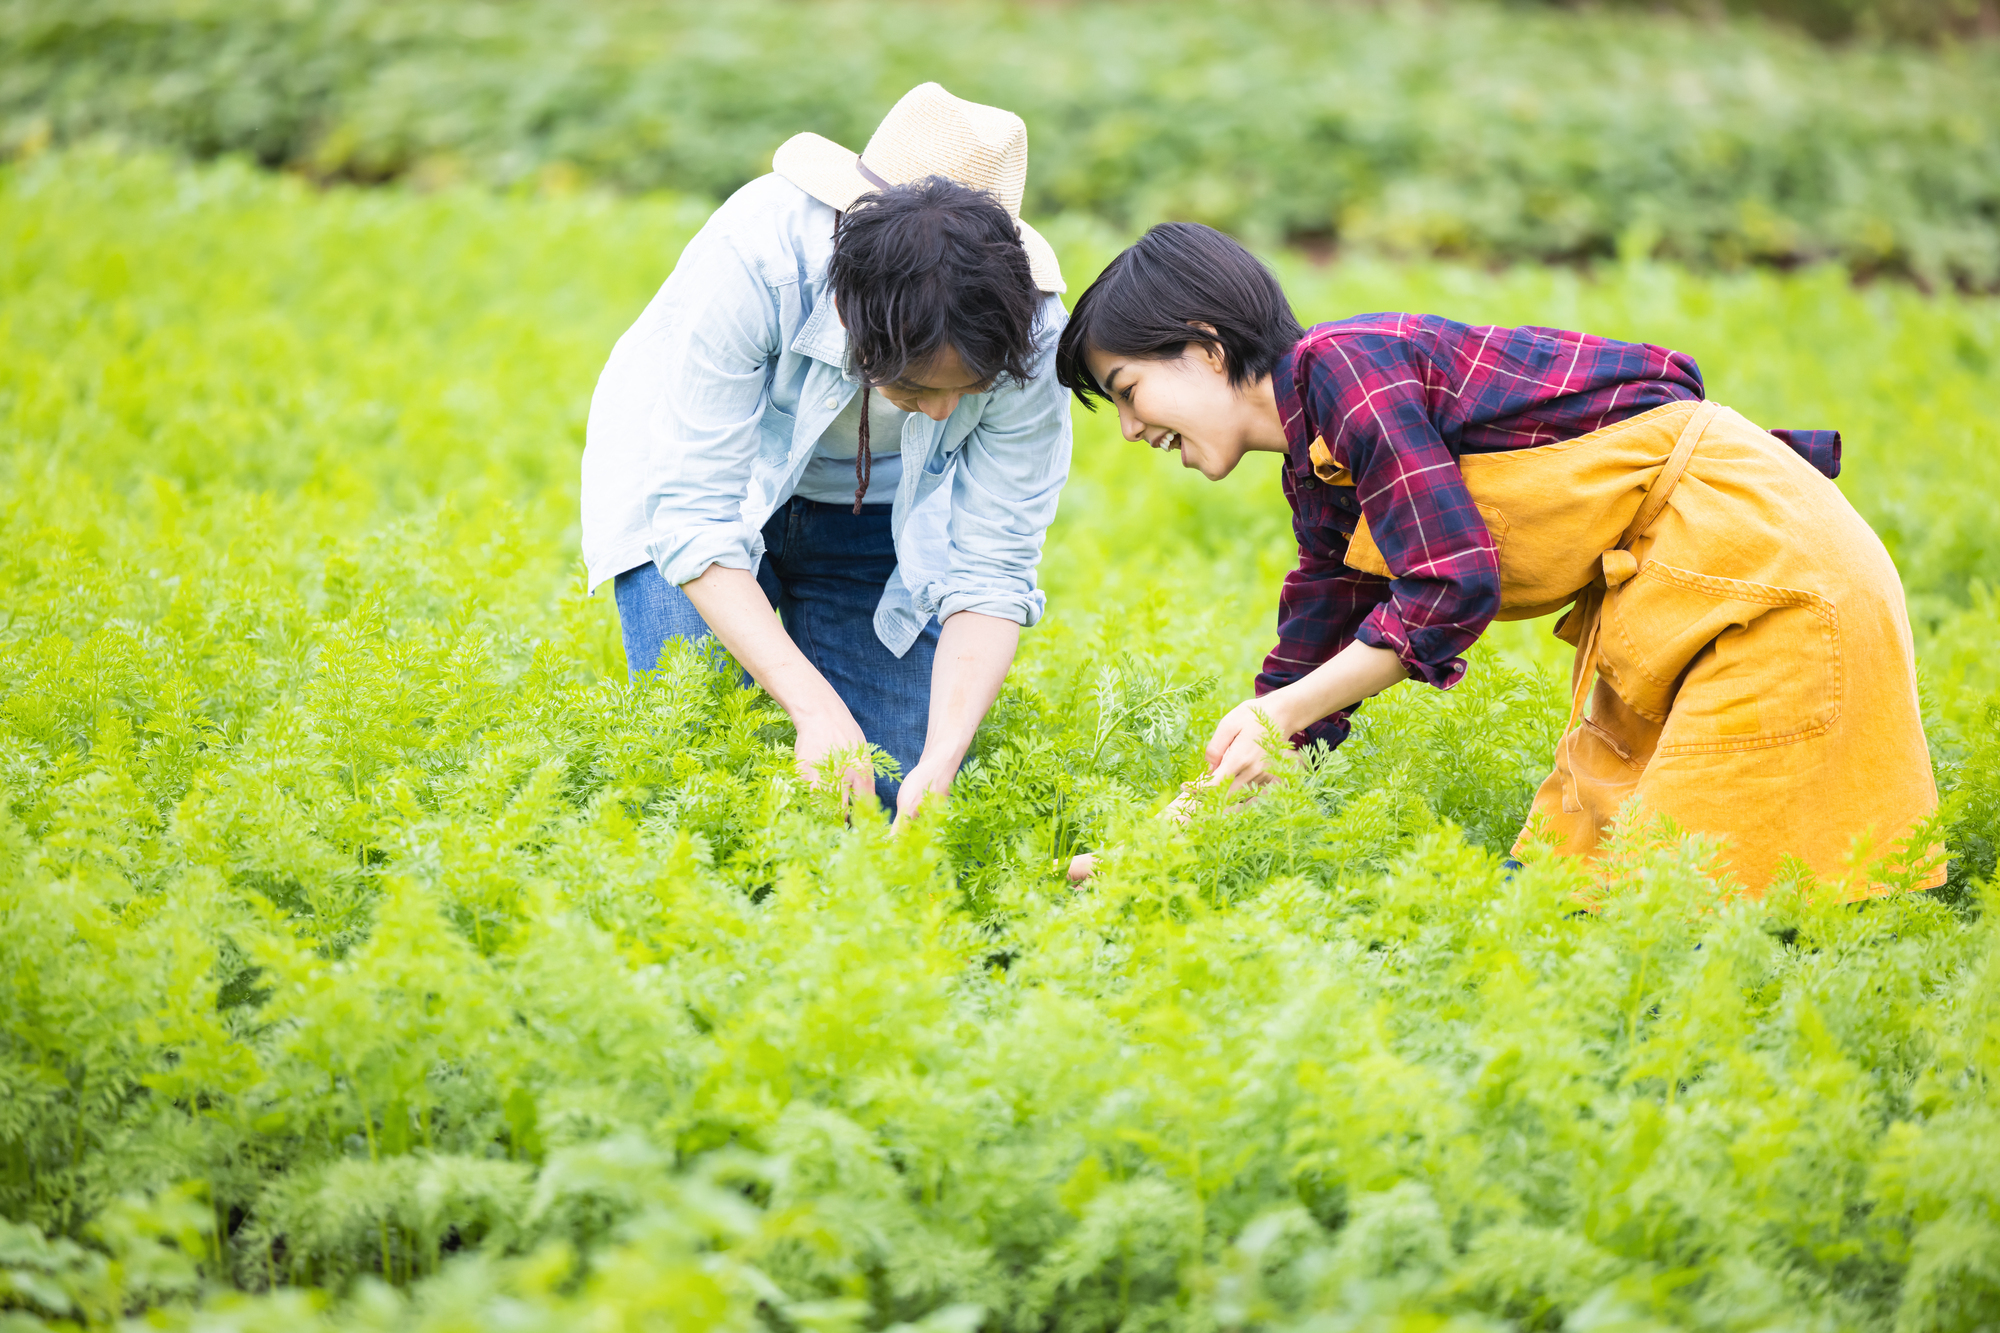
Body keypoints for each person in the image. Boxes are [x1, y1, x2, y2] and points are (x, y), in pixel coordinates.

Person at [1052, 222, 1942, 894]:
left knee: (1690, 899)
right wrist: (1168, 835)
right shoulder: (1320, 469)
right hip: (1677, 600)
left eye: (1128, 390)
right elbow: (1310, 673)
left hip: (1769, 569)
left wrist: (1282, 712)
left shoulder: (1344, 368)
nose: (1130, 428)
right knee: (1562, 889)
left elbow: (1450, 580)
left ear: (1207, 349)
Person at [582, 84, 1072, 816]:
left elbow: (994, 569)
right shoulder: (756, 257)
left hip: (874, 516)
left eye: (969, 390)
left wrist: (941, 762)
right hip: (709, 487)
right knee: (700, 758)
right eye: (921, 385)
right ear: (857, 317)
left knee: (883, 788)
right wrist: (814, 709)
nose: (943, 411)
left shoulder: (1032, 332)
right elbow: (693, 512)